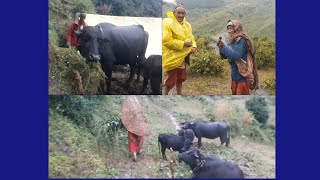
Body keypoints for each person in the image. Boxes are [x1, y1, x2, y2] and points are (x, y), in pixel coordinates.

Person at [162, 3, 197, 95]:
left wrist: (193, 46)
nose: (181, 15)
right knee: (170, 80)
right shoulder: (167, 23)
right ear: (174, 13)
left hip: (183, 56)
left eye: (183, 13)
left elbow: (191, 38)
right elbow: (166, 41)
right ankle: (165, 94)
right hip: (172, 56)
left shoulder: (187, 25)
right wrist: (183, 43)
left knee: (181, 78)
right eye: (179, 13)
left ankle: (179, 94)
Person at [217, 20, 259, 95]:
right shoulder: (232, 40)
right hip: (235, 75)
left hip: (242, 76)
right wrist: (221, 47)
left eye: (231, 28)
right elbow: (225, 56)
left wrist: (223, 47)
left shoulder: (241, 40)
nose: (229, 31)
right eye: (228, 28)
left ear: (237, 29)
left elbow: (236, 55)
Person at [120, 96, 151, 162]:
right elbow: (144, 119)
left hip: (132, 129)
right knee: (140, 140)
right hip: (140, 129)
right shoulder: (140, 112)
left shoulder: (129, 113)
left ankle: (135, 156)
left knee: (132, 142)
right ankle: (138, 151)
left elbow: (126, 119)